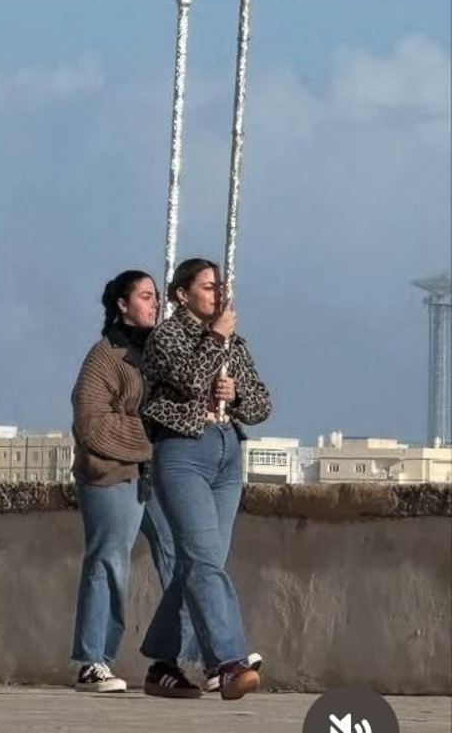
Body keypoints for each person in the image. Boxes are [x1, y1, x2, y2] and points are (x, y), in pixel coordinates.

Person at [139, 258, 273, 701]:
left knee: (204, 561)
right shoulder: (166, 337)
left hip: (225, 451)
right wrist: (216, 337)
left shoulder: (234, 341)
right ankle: (229, 661)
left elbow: (260, 404)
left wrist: (234, 395)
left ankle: (162, 662)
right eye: (208, 287)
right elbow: (190, 379)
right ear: (183, 294)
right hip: (183, 452)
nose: (218, 295)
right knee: (200, 557)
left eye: (221, 287)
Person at [67, 270, 197, 693]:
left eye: (157, 296)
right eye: (145, 296)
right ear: (122, 304)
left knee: (182, 560)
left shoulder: (159, 354)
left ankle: (171, 660)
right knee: (108, 561)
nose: (155, 303)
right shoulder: (104, 356)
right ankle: (93, 660)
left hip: (156, 474)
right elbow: (91, 423)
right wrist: (150, 434)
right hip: (111, 473)